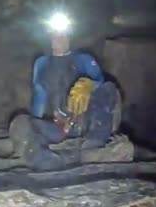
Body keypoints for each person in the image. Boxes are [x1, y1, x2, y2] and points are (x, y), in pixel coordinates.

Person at [9, 12, 122, 171]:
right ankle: (47, 162)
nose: (59, 39)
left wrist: (90, 85)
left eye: (63, 35)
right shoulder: (42, 64)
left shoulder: (83, 60)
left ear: (70, 37)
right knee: (19, 123)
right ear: (48, 38)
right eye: (55, 35)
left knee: (109, 89)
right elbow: (38, 103)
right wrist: (36, 126)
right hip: (59, 128)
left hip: (86, 123)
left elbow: (103, 86)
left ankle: (94, 148)